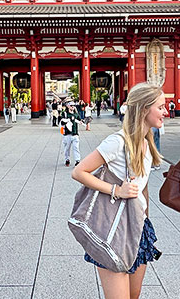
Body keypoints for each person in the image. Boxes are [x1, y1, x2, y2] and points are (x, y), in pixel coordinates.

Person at [71, 83, 167, 299]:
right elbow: (79, 172)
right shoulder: (117, 141)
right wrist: (116, 190)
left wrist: (144, 217)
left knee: (134, 295)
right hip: (114, 229)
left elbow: (142, 188)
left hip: (138, 226)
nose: (165, 112)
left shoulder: (146, 143)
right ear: (144, 108)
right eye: (160, 107)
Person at [60, 102, 82, 166]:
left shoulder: (76, 114)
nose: (73, 107)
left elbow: (80, 120)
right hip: (67, 134)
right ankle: (67, 159)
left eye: (74, 105)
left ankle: (77, 161)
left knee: (76, 148)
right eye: (71, 105)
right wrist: (67, 120)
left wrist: (81, 122)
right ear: (68, 106)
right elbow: (61, 122)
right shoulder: (65, 114)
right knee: (67, 148)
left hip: (75, 134)